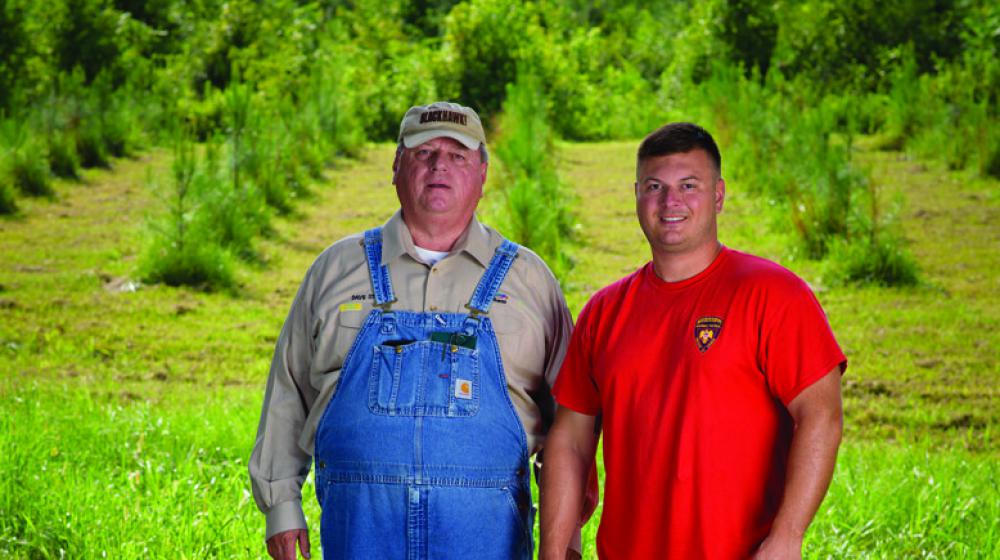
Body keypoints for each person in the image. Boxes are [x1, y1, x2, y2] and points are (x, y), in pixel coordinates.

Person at [249, 101, 580, 560]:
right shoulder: (334, 270)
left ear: (483, 173)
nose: (439, 165)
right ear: (396, 166)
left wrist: (565, 545)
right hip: (359, 537)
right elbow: (288, 393)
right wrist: (281, 507)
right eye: (423, 153)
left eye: (457, 155)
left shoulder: (530, 280)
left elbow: (572, 425)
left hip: (489, 543)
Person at [540, 122, 846, 559]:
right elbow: (569, 441)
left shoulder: (774, 294)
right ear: (637, 196)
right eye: (654, 186)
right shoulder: (604, 313)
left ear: (718, 195)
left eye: (689, 185)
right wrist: (554, 551)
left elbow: (821, 416)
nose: (671, 202)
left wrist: (787, 538)